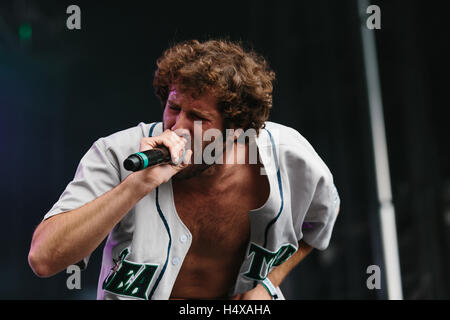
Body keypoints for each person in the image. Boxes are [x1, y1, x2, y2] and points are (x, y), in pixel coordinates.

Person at [28, 39, 340, 300]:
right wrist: (136, 185)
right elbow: (44, 259)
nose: (178, 128)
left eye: (198, 118)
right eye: (174, 108)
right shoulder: (117, 154)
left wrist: (268, 282)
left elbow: (318, 224)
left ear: (237, 129)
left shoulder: (291, 157)